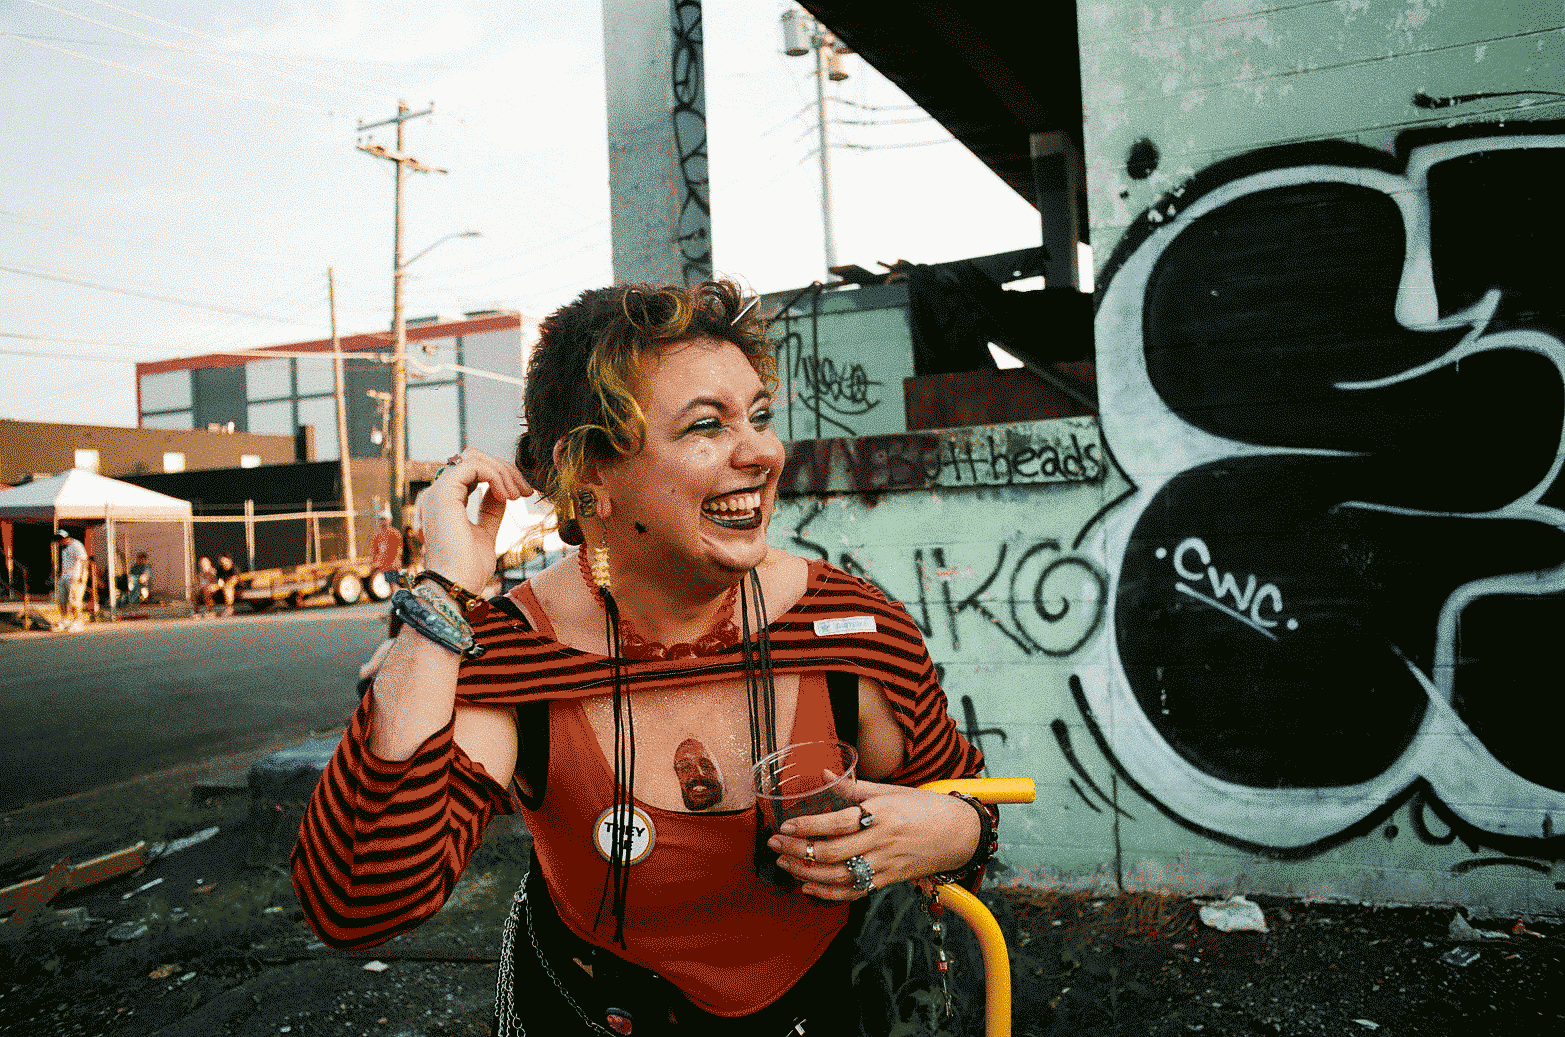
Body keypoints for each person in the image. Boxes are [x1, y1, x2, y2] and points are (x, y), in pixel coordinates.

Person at [292, 281, 996, 1036]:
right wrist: (441, 595)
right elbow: (358, 902)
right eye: (706, 425)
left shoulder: (848, 628)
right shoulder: (515, 655)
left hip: (828, 1008)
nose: (762, 452)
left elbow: (967, 808)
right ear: (589, 470)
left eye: (759, 416)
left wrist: (953, 832)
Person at [54, 529, 88, 631]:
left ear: (66, 538)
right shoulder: (64, 548)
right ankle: (64, 621)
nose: (59, 542)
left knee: (74, 601)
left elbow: (84, 560)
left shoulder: (76, 545)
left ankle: (77, 622)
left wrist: (81, 576)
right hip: (64, 577)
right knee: (61, 600)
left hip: (75, 577)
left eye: (60, 539)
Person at [370, 511, 404, 579]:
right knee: (388, 584)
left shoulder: (395, 533)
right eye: (381, 520)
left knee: (394, 583)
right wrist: (373, 563)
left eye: (384, 519)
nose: (383, 522)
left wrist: (396, 562)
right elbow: (375, 551)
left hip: (394, 566)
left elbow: (399, 549)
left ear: (389, 520)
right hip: (383, 567)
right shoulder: (378, 535)